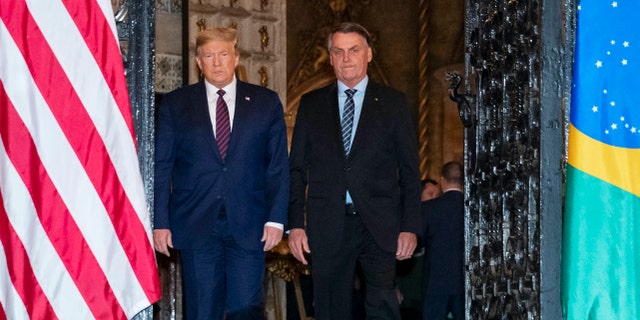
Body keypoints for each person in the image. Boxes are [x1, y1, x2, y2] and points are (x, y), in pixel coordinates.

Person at [288, 22, 422, 320]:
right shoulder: (311, 104)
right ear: (331, 58)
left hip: (380, 224)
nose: (346, 58)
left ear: (369, 55)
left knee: (383, 307)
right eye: (339, 51)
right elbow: (296, 169)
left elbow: (411, 172)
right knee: (330, 309)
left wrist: (410, 226)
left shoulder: (393, 103)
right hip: (328, 224)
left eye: (354, 50)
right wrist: (295, 224)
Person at [153, 28, 289, 319]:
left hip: (251, 226)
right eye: (209, 56)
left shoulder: (266, 103)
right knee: (202, 311)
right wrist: (160, 222)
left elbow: (277, 166)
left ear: (236, 57)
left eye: (223, 54)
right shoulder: (176, 105)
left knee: (246, 312)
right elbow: (163, 166)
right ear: (199, 62)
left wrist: (276, 219)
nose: (217, 63)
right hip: (195, 224)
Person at [421, 161, 464, 320]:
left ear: (442, 180)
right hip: (465, 283)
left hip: (436, 283)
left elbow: (419, 241)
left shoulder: (429, 208)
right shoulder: (472, 208)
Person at [397, 178, 442, 319]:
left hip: (425, 294)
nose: (434, 199)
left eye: (437, 195)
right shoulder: (406, 221)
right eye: (430, 194)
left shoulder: (437, 221)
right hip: (405, 296)